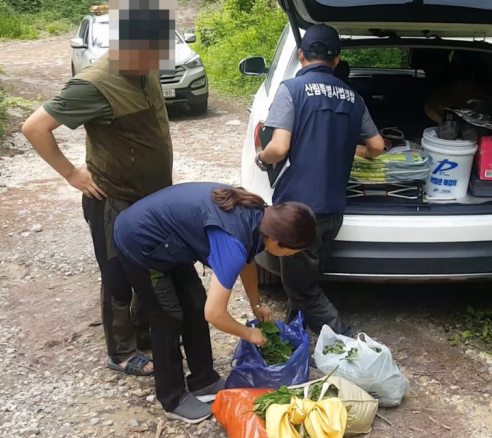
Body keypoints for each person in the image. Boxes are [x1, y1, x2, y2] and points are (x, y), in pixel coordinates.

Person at [20, 0, 178, 376]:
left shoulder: (146, 71)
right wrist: (70, 173)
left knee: (148, 265)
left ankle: (142, 329)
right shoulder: (94, 83)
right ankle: (121, 352)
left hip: (150, 197)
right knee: (117, 274)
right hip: (113, 199)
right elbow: (34, 127)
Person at [113, 182, 316, 423]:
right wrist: (248, 333)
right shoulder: (233, 240)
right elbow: (215, 314)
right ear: (276, 239)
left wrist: (256, 304)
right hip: (139, 239)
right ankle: (173, 399)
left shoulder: (260, 217)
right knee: (167, 318)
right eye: (292, 251)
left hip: (172, 241)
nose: (292, 255)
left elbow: (247, 261)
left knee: (195, 304)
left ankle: (203, 381)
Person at [255, 24, 385, 336]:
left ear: (301, 56)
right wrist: (354, 149)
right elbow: (377, 147)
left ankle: (350, 342)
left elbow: (279, 149)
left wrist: (261, 157)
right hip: (333, 210)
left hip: (298, 211)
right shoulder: (353, 98)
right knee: (306, 280)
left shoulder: (291, 90)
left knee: (302, 289)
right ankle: (294, 333)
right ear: (336, 60)